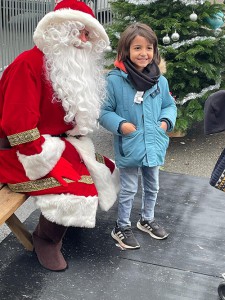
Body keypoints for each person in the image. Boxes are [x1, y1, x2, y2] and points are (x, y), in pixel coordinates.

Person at [0, 0, 119, 271]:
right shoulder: (27, 65)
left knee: (104, 166)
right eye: (79, 31)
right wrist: (47, 158)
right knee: (75, 181)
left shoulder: (64, 65)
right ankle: (46, 239)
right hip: (17, 151)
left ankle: (66, 223)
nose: (84, 40)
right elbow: (18, 127)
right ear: (59, 31)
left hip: (50, 142)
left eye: (89, 34)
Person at [99, 22, 177, 250]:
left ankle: (147, 219)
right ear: (126, 51)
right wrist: (121, 125)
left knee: (153, 186)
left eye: (149, 48)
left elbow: (169, 105)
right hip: (130, 144)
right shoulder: (115, 80)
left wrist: (165, 122)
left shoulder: (160, 81)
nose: (144, 53)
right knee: (129, 188)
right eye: (137, 48)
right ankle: (121, 226)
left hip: (154, 143)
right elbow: (104, 111)